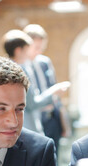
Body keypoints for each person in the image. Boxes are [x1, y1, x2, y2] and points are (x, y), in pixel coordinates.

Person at [2, 29, 69, 134]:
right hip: (27, 125)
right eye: (26, 50)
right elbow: (32, 103)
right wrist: (53, 93)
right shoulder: (21, 71)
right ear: (18, 51)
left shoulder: (3, 69)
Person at [23, 24, 71, 155]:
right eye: (36, 48)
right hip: (35, 120)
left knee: (55, 158)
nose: (39, 52)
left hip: (52, 118)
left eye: (41, 48)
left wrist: (64, 122)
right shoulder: (22, 66)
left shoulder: (45, 62)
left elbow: (55, 93)